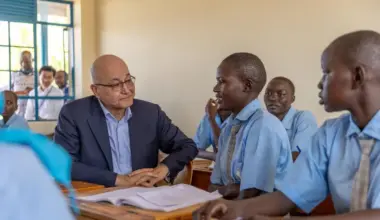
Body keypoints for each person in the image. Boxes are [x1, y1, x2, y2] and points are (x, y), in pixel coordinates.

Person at [193, 30, 380, 220]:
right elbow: (289, 196)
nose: (319, 84)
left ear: (357, 76)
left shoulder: (270, 124)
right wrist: (235, 209)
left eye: (327, 73)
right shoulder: (330, 134)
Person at [54, 54, 198, 187]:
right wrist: (118, 180)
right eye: (116, 85)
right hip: (96, 193)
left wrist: (164, 168)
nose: (127, 90)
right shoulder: (74, 113)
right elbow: (64, 163)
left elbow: (188, 146)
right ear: (96, 90)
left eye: (128, 80)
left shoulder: (150, 113)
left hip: (142, 194)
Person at [208, 52, 292, 200]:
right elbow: (216, 184)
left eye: (222, 81)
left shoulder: (264, 125)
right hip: (230, 208)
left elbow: (251, 194)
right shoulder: (229, 126)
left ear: (247, 86)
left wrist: (231, 191)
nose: (216, 89)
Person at [0, 92, 75, 220]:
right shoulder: (3, 124)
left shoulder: (19, 124)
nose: (5, 107)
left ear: (17, 106)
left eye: (10, 103)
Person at [264, 77, 318, 160]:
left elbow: (298, 157)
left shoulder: (303, 118)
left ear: (292, 99)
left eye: (281, 94)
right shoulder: (262, 121)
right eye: (268, 93)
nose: (272, 98)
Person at [11, 50, 35, 117]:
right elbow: (10, 93)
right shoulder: (14, 75)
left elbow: (43, 91)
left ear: (32, 61)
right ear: (20, 62)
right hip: (18, 111)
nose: (25, 64)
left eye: (28, 61)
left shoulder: (38, 75)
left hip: (33, 112)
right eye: (23, 61)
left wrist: (33, 90)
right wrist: (21, 92)